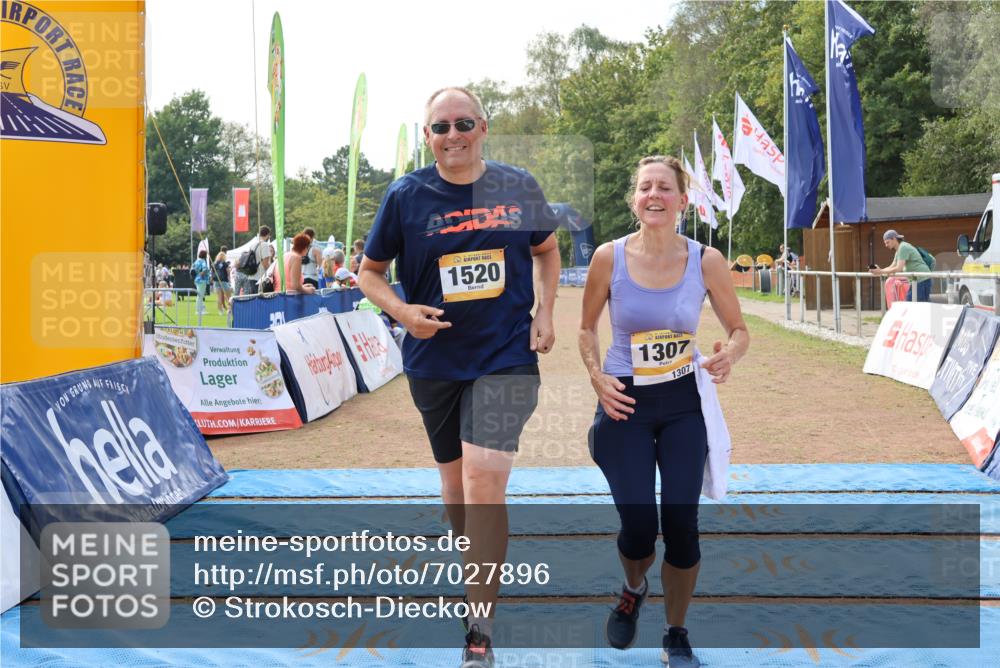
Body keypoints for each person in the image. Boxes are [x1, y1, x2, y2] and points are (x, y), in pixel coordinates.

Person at [357, 86, 561, 668]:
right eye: (441, 126)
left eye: (464, 123)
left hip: (504, 358)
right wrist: (401, 312)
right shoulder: (405, 196)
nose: (453, 134)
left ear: (483, 128)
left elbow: (547, 251)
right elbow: (369, 273)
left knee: (481, 482)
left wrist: (545, 311)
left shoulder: (518, 187)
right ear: (427, 137)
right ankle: (477, 569)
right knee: (455, 488)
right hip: (435, 363)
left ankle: (479, 628)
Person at [578, 156, 749, 668]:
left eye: (665, 188)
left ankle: (676, 632)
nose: (655, 195)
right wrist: (596, 376)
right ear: (635, 199)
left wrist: (728, 355)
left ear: (682, 200)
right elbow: (587, 329)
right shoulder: (608, 258)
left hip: (682, 404)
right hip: (624, 400)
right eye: (646, 187)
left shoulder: (706, 260)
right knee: (636, 527)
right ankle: (633, 588)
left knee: (682, 526)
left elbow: (739, 330)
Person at [869, 229, 931, 302]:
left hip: (921, 279)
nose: (886, 245)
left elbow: (898, 268)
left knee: (915, 305)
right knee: (914, 304)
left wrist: (880, 271)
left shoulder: (903, 247)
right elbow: (892, 266)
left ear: (894, 239)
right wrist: (879, 270)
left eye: (887, 242)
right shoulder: (899, 249)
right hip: (917, 280)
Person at [244, 226, 273, 295]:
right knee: (262, 302)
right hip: (260, 278)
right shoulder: (265, 245)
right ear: (268, 235)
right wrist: (271, 273)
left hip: (251, 276)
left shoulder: (253, 245)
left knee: (254, 302)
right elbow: (265, 264)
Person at [191, 249, 211, 315]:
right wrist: (201, 274)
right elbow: (205, 269)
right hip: (202, 280)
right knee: (200, 295)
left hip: (196, 280)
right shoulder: (203, 261)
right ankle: (198, 310)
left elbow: (192, 270)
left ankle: (202, 309)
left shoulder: (196, 261)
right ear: (205, 255)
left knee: (200, 295)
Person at [213, 248, 232, 313]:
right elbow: (228, 272)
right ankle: (230, 309)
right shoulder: (224, 263)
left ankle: (220, 311)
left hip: (216, 281)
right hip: (224, 280)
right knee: (228, 296)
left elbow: (212, 272)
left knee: (219, 297)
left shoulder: (215, 263)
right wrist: (229, 279)